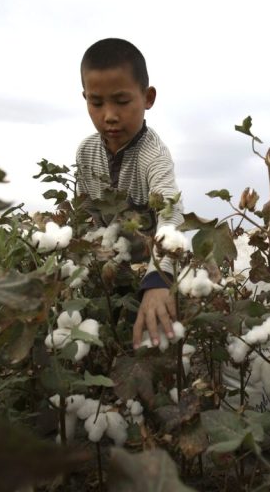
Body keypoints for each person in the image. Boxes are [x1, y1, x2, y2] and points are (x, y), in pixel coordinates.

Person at [76, 38, 183, 349]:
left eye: (122, 101)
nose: (109, 115)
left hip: (150, 271)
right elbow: (85, 215)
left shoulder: (154, 156)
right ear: (85, 98)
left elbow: (171, 215)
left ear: (148, 98)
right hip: (108, 270)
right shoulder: (86, 152)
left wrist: (158, 280)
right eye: (97, 103)